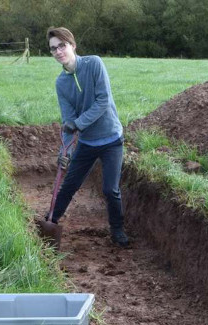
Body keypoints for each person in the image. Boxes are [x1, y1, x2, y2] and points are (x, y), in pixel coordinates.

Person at [46, 27, 129, 248]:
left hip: (111, 139)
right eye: (53, 49)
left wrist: (79, 123)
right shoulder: (61, 83)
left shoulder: (94, 64)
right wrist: (65, 151)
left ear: (72, 45)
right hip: (86, 143)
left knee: (110, 190)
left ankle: (118, 229)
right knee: (69, 184)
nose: (58, 51)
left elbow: (102, 101)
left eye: (61, 45)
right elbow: (67, 121)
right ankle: (49, 222)